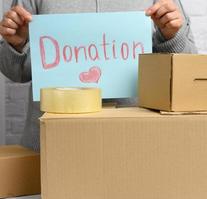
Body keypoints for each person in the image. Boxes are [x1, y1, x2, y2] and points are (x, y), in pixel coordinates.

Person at [0, 0, 197, 152]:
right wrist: (17, 45)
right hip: (53, 144)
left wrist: (171, 37)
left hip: (135, 144)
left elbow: (189, 73)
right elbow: (17, 73)